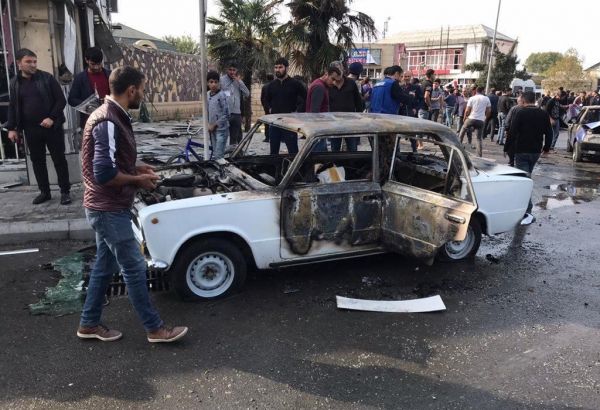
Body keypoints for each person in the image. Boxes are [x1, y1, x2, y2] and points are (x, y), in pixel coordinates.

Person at [78, 66, 188, 343]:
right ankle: (155, 329)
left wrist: (136, 167)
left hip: (104, 206)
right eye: (142, 89)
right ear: (131, 90)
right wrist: (138, 180)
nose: (143, 93)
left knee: (105, 266)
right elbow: (104, 173)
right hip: (108, 209)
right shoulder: (107, 121)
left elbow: (111, 162)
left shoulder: (110, 116)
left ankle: (88, 324)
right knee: (135, 268)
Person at [6, 48, 71, 205]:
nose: (33, 65)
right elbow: (13, 106)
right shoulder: (15, 83)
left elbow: (61, 101)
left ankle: (65, 192)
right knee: (37, 161)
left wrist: (51, 117)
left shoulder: (47, 78)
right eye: (29, 62)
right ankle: (45, 192)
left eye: (35, 61)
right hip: (30, 129)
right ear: (19, 63)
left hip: (51, 127)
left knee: (59, 159)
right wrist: (12, 128)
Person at [504, 91, 553, 225]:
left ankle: (528, 212)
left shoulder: (520, 112)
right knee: (526, 178)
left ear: (524, 100)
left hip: (522, 151)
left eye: (520, 99)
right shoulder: (543, 113)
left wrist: (507, 148)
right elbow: (549, 132)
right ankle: (522, 208)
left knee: (524, 181)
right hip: (535, 151)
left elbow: (512, 132)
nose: (519, 101)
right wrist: (547, 148)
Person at [264, 57, 306, 155]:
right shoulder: (271, 85)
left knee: (293, 151)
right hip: (274, 122)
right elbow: (266, 100)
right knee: (273, 152)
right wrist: (270, 109)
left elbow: (306, 97)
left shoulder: (295, 84)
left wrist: (298, 112)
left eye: (280, 67)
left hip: (290, 123)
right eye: (276, 67)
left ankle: (295, 170)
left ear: (286, 68)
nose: (277, 70)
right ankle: (275, 169)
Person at [68, 46, 111, 129]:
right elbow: (71, 99)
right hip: (89, 123)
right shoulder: (80, 78)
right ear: (86, 60)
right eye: (93, 64)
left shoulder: (110, 75)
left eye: (99, 64)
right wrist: (88, 106)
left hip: (109, 120)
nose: (97, 67)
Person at [306, 64, 342, 151]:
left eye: (336, 81)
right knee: (319, 157)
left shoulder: (320, 85)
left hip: (317, 129)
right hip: (317, 129)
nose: (334, 83)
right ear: (326, 74)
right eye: (332, 79)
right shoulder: (319, 87)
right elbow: (314, 112)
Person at [328, 61, 364, 151]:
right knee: (335, 148)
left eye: (339, 70)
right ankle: (336, 164)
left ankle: (352, 164)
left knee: (352, 147)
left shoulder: (351, 83)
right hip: (334, 122)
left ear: (343, 70)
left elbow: (358, 101)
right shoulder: (329, 85)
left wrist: (359, 117)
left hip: (350, 122)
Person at [220, 61, 250, 145]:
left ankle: (235, 155)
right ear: (226, 70)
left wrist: (239, 82)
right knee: (222, 136)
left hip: (236, 113)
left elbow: (247, 94)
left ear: (236, 70)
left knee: (236, 137)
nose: (232, 72)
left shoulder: (239, 81)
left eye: (234, 70)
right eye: (230, 70)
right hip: (225, 113)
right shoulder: (221, 80)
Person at [458, 86, 491, 157]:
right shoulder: (486, 98)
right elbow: (488, 111)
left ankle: (458, 148)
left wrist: (464, 118)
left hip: (471, 118)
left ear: (476, 91)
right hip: (480, 120)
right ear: (482, 91)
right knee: (479, 139)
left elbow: (467, 110)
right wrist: (485, 118)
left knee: (462, 132)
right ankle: (479, 155)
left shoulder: (472, 98)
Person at [207, 70, 230, 160]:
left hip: (221, 130)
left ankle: (224, 173)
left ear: (219, 83)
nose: (213, 84)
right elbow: (207, 111)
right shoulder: (207, 95)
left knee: (218, 156)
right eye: (211, 82)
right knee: (215, 153)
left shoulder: (222, 95)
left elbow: (226, 114)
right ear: (207, 83)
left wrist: (215, 124)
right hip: (212, 130)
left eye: (216, 82)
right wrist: (208, 124)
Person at [503, 94, 524, 166]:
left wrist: (507, 129)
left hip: (513, 130)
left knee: (511, 146)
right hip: (522, 132)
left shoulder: (514, 108)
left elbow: (507, 120)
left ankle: (511, 161)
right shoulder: (525, 109)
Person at [260, 73, 274, 142]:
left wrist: (265, 106)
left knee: (267, 122)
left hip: (267, 107)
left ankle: (267, 137)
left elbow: (262, 98)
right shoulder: (275, 85)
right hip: (274, 107)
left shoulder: (264, 86)